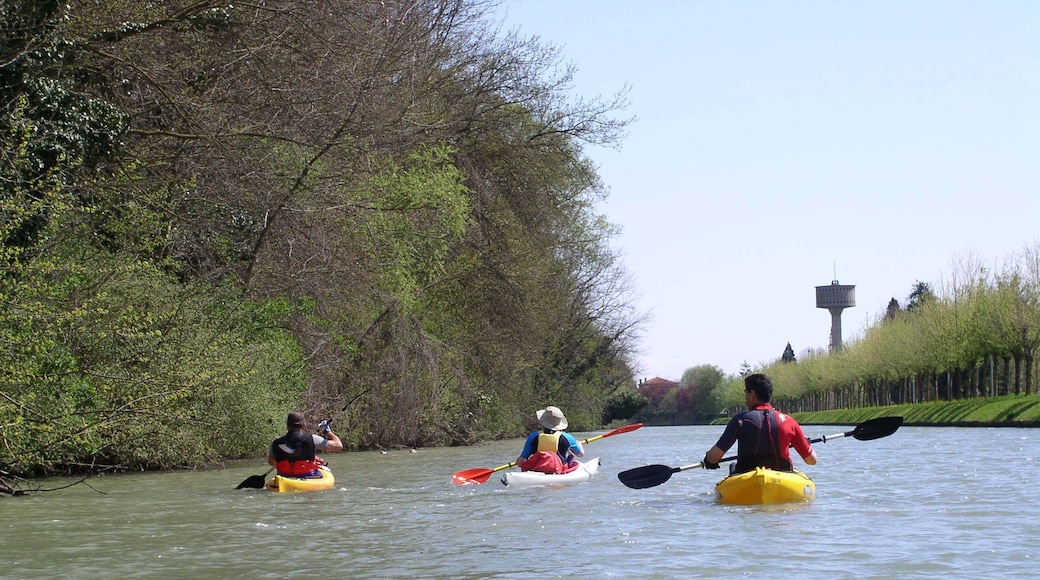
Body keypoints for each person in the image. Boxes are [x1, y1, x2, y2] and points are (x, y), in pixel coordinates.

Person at [702, 373, 818, 474]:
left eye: (745, 393)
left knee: (733, 467)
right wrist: (806, 445)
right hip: (782, 478)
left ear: (752, 394)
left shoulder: (740, 420)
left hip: (747, 478)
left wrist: (708, 460)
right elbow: (811, 460)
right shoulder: (789, 421)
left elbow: (714, 457)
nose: (745, 397)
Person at [268, 411, 344, 478]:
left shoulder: (275, 443)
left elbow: (271, 461)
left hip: (284, 477)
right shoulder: (313, 439)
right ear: (304, 425)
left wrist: (290, 462)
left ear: (287, 426)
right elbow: (338, 446)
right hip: (307, 476)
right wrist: (327, 432)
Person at [516, 406, 585, 474]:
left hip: (536, 470)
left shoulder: (533, 436)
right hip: (559, 471)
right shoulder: (568, 438)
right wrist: (580, 445)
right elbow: (580, 454)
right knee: (570, 458)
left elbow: (520, 462)